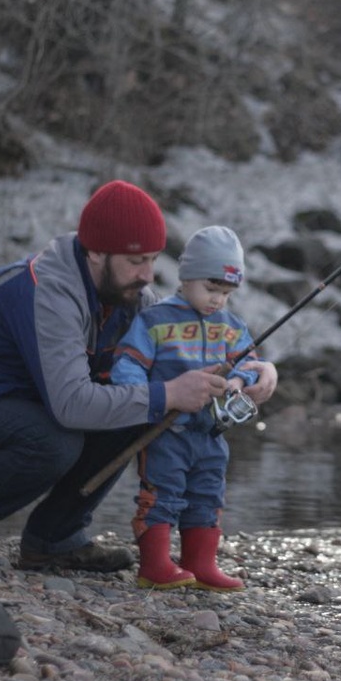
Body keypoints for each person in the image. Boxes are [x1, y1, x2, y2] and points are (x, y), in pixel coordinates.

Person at [0, 180, 278, 572]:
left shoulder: (127, 293)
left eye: (153, 259)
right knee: (57, 440)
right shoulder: (49, 292)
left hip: (11, 402)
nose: (148, 275)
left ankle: (54, 538)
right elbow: (71, 406)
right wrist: (169, 394)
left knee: (137, 406)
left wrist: (256, 370)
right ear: (96, 252)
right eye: (136, 261)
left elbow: (174, 350)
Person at [111, 225, 261, 592]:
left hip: (210, 432)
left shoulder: (231, 326)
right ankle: (154, 566)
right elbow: (128, 363)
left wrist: (242, 381)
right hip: (165, 431)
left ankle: (201, 563)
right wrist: (145, 393)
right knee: (162, 493)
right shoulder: (155, 320)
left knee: (209, 494)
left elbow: (248, 361)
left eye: (226, 293)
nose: (218, 301)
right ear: (187, 277)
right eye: (211, 290)